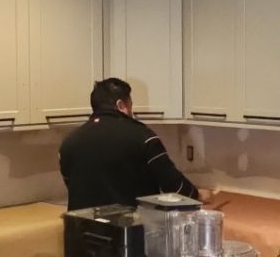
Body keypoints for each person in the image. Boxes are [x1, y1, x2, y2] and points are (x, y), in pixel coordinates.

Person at [58, 77, 200, 210]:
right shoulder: (143, 137)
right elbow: (175, 186)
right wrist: (197, 195)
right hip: (128, 226)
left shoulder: (68, 143)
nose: (132, 112)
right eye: (130, 106)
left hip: (80, 226)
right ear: (121, 105)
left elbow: (72, 185)